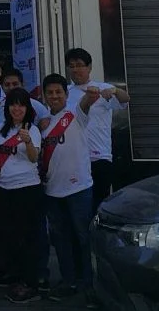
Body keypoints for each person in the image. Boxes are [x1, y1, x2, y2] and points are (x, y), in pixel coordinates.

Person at [0, 67, 51, 291]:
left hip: (27, 189)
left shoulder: (31, 129)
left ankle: (30, 280)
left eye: (21, 104)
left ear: (27, 108)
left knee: (28, 237)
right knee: (7, 236)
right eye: (13, 104)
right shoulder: (3, 130)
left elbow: (34, 159)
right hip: (5, 189)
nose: (16, 108)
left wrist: (27, 142)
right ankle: (11, 274)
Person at [40, 74, 101, 308]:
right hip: (52, 190)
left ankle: (89, 282)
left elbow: (89, 100)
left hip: (79, 188)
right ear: (44, 96)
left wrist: (93, 92)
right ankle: (68, 281)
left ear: (66, 94)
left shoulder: (76, 113)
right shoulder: (43, 124)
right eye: (50, 93)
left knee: (83, 237)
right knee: (61, 240)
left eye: (59, 92)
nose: (54, 96)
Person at [64, 48, 130, 209]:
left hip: (99, 157)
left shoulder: (103, 89)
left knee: (99, 204)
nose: (75, 70)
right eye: (71, 66)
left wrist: (115, 90)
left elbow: (125, 99)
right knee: (79, 207)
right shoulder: (65, 93)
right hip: (74, 159)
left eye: (79, 65)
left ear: (89, 67)